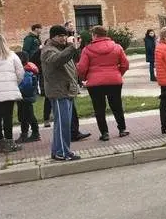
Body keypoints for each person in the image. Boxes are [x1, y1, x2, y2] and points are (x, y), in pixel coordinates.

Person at [76, 25, 130, 141]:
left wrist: (85, 78)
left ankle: (104, 133)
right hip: (114, 80)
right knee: (117, 106)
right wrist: (117, 73)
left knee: (99, 108)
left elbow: (81, 68)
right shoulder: (117, 47)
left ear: (94, 35)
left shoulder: (87, 49)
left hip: (95, 83)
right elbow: (125, 64)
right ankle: (122, 129)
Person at [40, 25, 82, 160]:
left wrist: (75, 48)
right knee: (62, 125)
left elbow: (70, 63)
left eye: (64, 36)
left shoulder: (61, 49)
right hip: (59, 92)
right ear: (53, 37)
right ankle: (61, 152)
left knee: (64, 124)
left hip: (66, 90)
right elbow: (57, 60)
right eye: (60, 36)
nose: (63, 38)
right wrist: (71, 48)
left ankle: (60, 151)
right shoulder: (49, 50)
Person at [15, 51, 40, 144]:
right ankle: (24, 134)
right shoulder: (27, 69)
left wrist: (17, 90)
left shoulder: (26, 71)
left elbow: (26, 86)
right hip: (24, 97)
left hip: (25, 97)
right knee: (23, 117)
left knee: (28, 116)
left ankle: (35, 133)